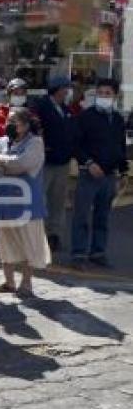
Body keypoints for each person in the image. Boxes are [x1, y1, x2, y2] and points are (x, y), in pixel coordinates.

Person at [0, 107, 51, 297]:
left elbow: (22, 164)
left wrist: (2, 162)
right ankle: (9, 282)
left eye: (15, 122)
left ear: (27, 125)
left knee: (29, 245)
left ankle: (27, 284)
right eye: (8, 121)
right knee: (5, 244)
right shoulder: (2, 141)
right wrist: (8, 164)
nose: (10, 125)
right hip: (1, 201)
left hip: (25, 205)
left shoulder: (35, 142)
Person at [70, 79, 129, 268]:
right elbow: (76, 144)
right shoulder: (86, 117)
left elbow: (120, 147)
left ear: (115, 96)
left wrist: (123, 171)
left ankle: (98, 252)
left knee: (102, 216)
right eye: (100, 93)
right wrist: (88, 162)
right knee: (81, 215)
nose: (103, 96)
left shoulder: (118, 119)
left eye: (107, 93)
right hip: (89, 174)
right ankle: (78, 254)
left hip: (109, 175)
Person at [31, 76, 75, 252]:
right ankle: (37, 236)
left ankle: (53, 235)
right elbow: (34, 129)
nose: (68, 91)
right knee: (40, 199)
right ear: (58, 89)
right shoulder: (41, 107)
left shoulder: (65, 109)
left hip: (62, 162)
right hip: (45, 162)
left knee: (58, 201)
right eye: (66, 88)